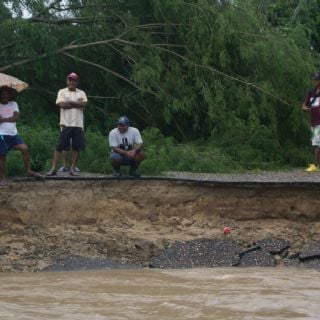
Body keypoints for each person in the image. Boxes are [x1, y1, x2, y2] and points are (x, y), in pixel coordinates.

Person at [46, 72, 87, 176]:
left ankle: (72, 168)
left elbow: (84, 104)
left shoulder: (81, 92)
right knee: (59, 146)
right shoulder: (62, 92)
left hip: (78, 124)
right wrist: (76, 103)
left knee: (76, 147)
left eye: (74, 80)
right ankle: (53, 168)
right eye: (70, 80)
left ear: (77, 82)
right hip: (66, 123)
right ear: (67, 81)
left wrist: (70, 102)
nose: (71, 82)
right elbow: (62, 105)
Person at [0, 87, 38, 185]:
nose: (5, 96)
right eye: (3, 94)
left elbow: (16, 117)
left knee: (24, 149)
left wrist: (3, 119)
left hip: (14, 134)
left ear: (10, 95)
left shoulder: (14, 104)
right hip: (2, 134)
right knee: (2, 157)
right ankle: (3, 178)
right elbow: (12, 117)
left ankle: (28, 171)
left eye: (7, 94)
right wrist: (10, 118)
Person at [303, 72, 320, 172]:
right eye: (315, 80)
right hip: (313, 121)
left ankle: (315, 165)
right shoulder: (311, 92)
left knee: (318, 143)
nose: (316, 81)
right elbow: (305, 105)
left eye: (318, 79)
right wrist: (305, 108)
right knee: (315, 143)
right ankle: (317, 165)